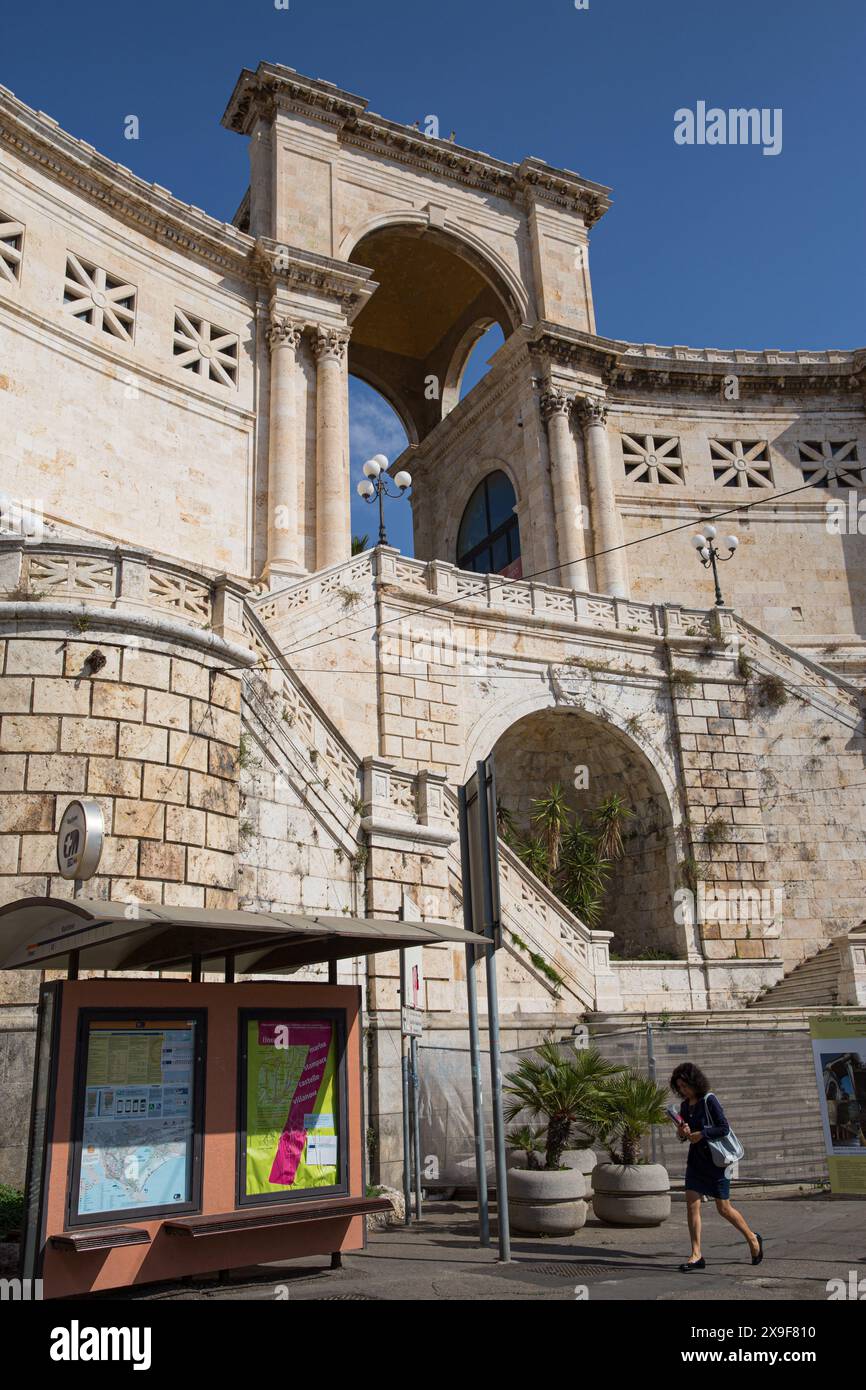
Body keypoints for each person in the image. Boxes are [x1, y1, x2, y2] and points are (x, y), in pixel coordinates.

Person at [670, 1061, 764, 1272]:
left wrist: (702, 1133)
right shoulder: (685, 1105)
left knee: (724, 1208)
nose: (683, 1090)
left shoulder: (709, 1100)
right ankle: (696, 1254)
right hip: (696, 1162)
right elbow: (686, 1136)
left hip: (717, 1162)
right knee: (692, 1205)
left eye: (685, 1086)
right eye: (679, 1087)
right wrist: (682, 1132)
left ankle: (752, 1238)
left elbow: (723, 1128)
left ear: (694, 1082)